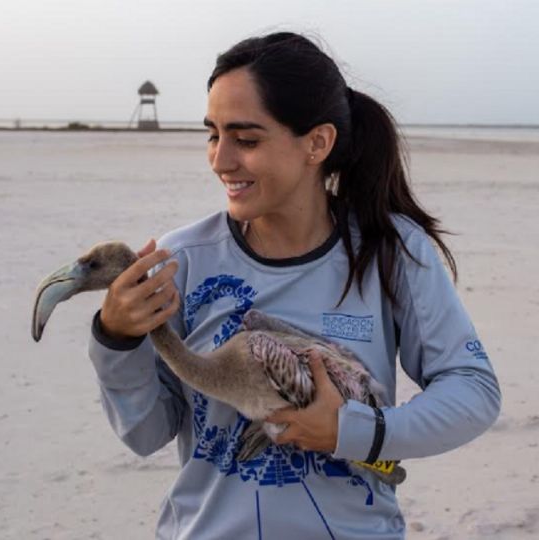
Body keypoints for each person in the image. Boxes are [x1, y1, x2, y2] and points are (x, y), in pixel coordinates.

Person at [89, 32, 501, 539]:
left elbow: (473, 389)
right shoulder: (183, 261)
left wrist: (355, 432)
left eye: (247, 139)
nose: (220, 160)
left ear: (318, 144)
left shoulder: (391, 251)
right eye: (213, 134)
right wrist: (117, 339)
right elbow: (145, 433)